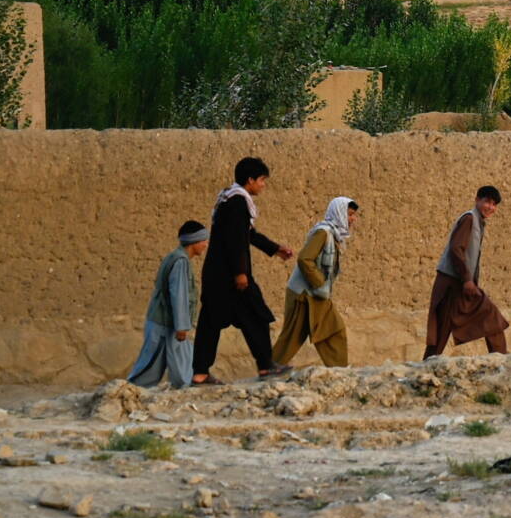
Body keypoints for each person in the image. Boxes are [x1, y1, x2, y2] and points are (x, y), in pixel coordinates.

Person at [196, 156, 296, 383]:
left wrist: (275, 248)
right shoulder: (238, 202)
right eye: (261, 180)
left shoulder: (228, 200)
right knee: (257, 316)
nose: (263, 185)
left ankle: (200, 374)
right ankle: (266, 367)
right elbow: (236, 240)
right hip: (231, 276)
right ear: (250, 180)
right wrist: (240, 272)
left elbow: (246, 234)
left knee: (210, 323)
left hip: (217, 274)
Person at [425, 185, 511, 358]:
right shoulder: (469, 219)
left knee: (489, 317)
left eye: (494, 204)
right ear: (477, 200)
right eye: (487, 202)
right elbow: (456, 249)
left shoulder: (478, 221)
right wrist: (467, 280)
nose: (490, 207)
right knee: (445, 327)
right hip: (453, 282)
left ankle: (501, 359)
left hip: (460, 283)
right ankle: (502, 361)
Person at [271, 196, 357, 369]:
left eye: (354, 215)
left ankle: (338, 371)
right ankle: (270, 369)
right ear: (339, 213)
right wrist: (319, 283)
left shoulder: (333, 234)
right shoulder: (323, 233)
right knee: (292, 336)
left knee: (334, 329)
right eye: (350, 214)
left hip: (316, 294)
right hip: (304, 293)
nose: (353, 219)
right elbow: (304, 259)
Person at [125, 221, 207, 389]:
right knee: (149, 367)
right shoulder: (180, 262)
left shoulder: (176, 257)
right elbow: (179, 294)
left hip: (167, 323)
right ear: (194, 242)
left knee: (185, 361)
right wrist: (182, 326)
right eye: (204, 240)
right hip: (164, 324)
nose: (206, 244)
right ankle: (127, 392)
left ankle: (186, 387)